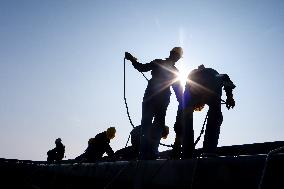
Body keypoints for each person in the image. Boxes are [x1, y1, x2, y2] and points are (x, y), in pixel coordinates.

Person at [125, 47, 183, 159]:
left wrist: (132, 60)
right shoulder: (173, 70)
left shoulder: (160, 63)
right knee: (155, 124)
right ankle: (150, 152)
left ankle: (146, 153)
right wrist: (183, 102)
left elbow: (142, 67)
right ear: (177, 57)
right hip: (159, 97)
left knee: (149, 123)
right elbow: (178, 91)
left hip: (153, 96)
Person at [173, 64, 236, 158]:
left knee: (186, 119)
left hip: (197, 86)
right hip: (212, 86)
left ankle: (187, 152)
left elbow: (182, 112)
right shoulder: (212, 72)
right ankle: (209, 150)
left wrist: (177, 142)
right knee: (215, 115)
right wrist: (230, 97)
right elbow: (225, 77)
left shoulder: (192, 78)